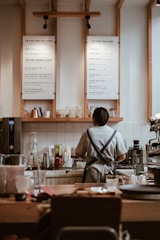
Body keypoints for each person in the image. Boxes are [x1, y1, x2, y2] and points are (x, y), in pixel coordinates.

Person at [76, 107, 127, 183]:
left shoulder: (87, 133)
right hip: (109, 173)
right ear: (107, 119)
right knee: (109, 193)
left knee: (91, 194)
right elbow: (123, 156)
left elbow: (78, 153)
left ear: (94, 118)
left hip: (92, 172)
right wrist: (112, 161)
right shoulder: (115, 134)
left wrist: (87, 159)